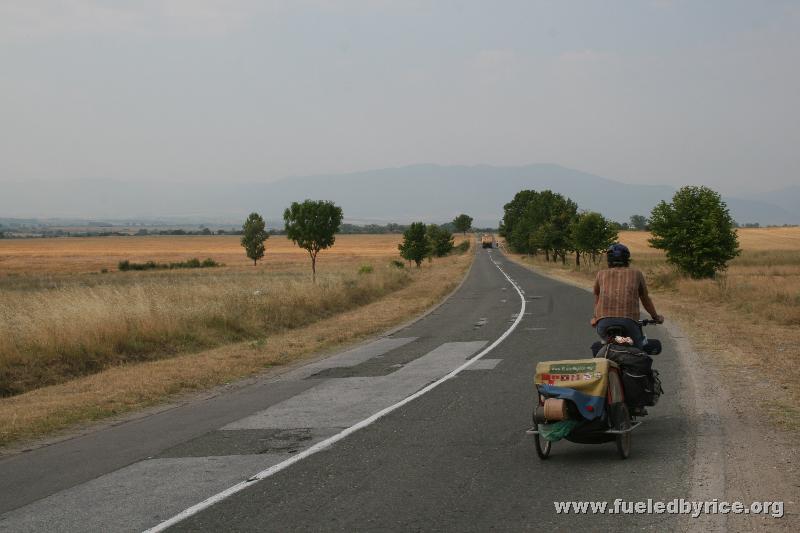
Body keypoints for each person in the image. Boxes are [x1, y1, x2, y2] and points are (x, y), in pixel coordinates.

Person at [591, 243, 664, 348]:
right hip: (629, 323)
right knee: (639, 348)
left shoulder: (600, 274)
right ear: (627, 259)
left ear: (609, 260)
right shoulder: (636, 274)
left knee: (604, 345)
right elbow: (645, 299)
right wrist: (656, 317)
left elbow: (597, 298)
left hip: (603, 324)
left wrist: (595, 317)